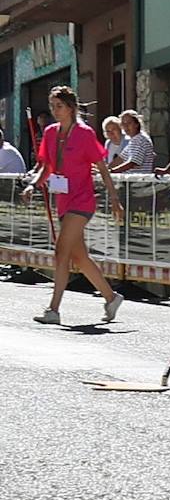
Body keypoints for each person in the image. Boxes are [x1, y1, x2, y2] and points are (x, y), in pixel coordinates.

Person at [22, 86, 125, 325]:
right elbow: (46, 167)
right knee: (79, 257)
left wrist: (115, 200)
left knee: (61, 252)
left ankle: (53, 309)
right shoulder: (49, 133)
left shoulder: (85, 134)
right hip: (63, 200)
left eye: (59, 106)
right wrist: (33, 185)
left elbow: (102, 169)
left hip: (82, 201)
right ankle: (111, 297)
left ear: (71, 108)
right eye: (52, 106)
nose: (55, 111)